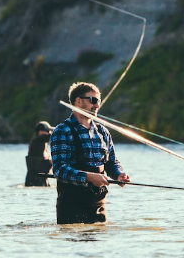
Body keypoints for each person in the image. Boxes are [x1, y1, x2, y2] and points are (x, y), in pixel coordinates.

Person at [50, 82, 130, 224]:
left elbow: (112, 162)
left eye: (98, 101)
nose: (97, 105)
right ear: (78, 101)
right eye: (93, 100)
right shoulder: (62, 131)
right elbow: (59, 170)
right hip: (71, 209)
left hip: (99, 208)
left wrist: (119, 174)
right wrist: (88, 177)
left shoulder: (103, 131)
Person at [24, 121, 53, 186]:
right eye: (47, 131)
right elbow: (51, 137)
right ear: (40, 132)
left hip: (40, 178)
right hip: (34, 180)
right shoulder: (37, 141)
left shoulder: (41, 144)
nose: (49, 133)